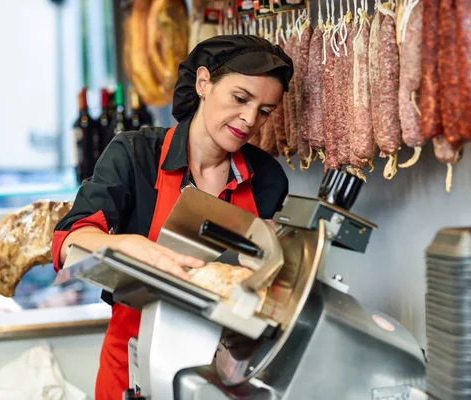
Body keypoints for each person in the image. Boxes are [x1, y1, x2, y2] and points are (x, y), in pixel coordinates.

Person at [51, 34, 294, 399]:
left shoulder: (268, 178)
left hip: (223, 376)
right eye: (240, 98)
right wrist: (129, 246)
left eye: (264, 111)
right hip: (134, 369)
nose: (248, 120)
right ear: (203, 83)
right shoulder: (136, 155)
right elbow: (69, 241)